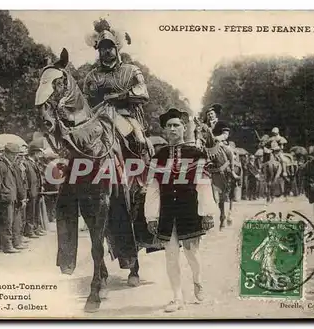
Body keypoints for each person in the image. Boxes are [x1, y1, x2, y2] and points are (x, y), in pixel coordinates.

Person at [144, 107, 215, 313]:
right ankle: (176, 297)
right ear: (165, 131)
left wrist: (207, 212)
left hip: (189, 210)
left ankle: (198, 281)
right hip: (167, 211)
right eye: (169, 126)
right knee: (171, 255)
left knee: (192, 254)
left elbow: (203, 183)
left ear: (184, 129)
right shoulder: (159, 156)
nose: (173, 129)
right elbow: (154, 187)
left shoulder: (196, 153)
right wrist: (151, 215)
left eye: (177, 125)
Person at [83, 19, 150, 155]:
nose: (106, 51)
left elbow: (143, 92)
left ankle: (140, 169)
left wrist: (119, 96)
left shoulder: (131, 70)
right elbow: (85, 101)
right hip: (98, 118)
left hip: (126, 116)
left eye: (109, 47)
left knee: (140, 141)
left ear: (117, 48)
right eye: (103, 48)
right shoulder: (92, 76)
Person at [194, 103, 238, 179]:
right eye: (208, 114)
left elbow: (225, 135)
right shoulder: (205, 126)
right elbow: (200, 134)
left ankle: (232, 171)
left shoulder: (221, 123)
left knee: (229, 151)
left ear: (215, 114)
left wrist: (218, 138)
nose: (210, 116)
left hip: (220, 143)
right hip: (207, 145)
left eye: (211, 114)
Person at [0, 143, 21, 253]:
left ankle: (3, 245)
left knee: (8, 221)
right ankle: (7, 245)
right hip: (5, 198)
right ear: (6, 153)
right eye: (12, 154)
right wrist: (4, 193)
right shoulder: (1, 165)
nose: (14, 156)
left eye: (15, 154)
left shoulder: (10, 165)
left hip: (10, 197)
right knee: (6, 222)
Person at [23, 144, 44, 238]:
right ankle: (29, 231)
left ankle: (35, 228)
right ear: (34, 153)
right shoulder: (27, 163)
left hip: (36, 191)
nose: (39, 156)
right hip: (31, 191)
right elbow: (26, 179)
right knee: (30, 212)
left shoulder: (34, 163)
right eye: (38, 153)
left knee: (36, 211)